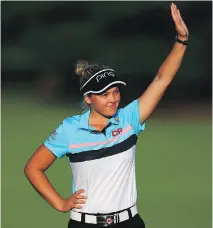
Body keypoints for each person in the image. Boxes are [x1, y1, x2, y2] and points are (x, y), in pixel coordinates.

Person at [24, 3, 189, 228]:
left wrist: (181, 40)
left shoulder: (130, 118)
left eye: (115, 91)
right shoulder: (70, 129)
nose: (113, 99)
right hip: (85, 224)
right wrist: (60, 203)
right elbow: (34, 168)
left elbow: (162, 79)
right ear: (88, 98)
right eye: (104, 94)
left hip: (129, 222)